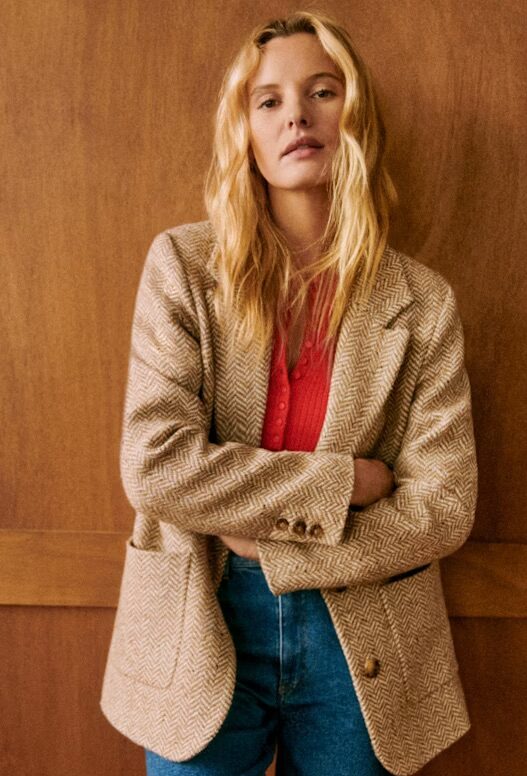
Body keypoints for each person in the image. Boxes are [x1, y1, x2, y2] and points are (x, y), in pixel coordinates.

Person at [100, 9, 478, 776]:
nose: (296, 115)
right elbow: (156, 465)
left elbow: (444, 506)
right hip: (199, 622)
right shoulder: (182, 266)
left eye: (322, 91)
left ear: (357, 115)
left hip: (363, 631)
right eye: (267, 100)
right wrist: (347, 484)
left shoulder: (423, 301)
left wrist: (277, 546)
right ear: (242, 129)